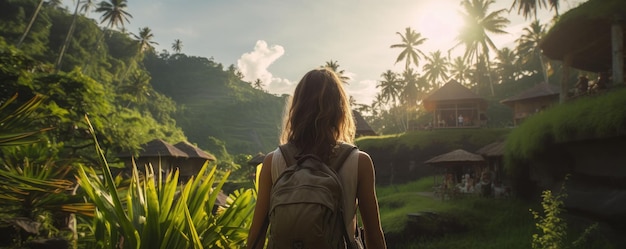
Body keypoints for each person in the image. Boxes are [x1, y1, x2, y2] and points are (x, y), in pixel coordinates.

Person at [246, 68, 387, 249]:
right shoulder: (359, 161)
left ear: (296, 110)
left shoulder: (272, 161)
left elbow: (256, 238)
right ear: (340, 109)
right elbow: (374, 238)